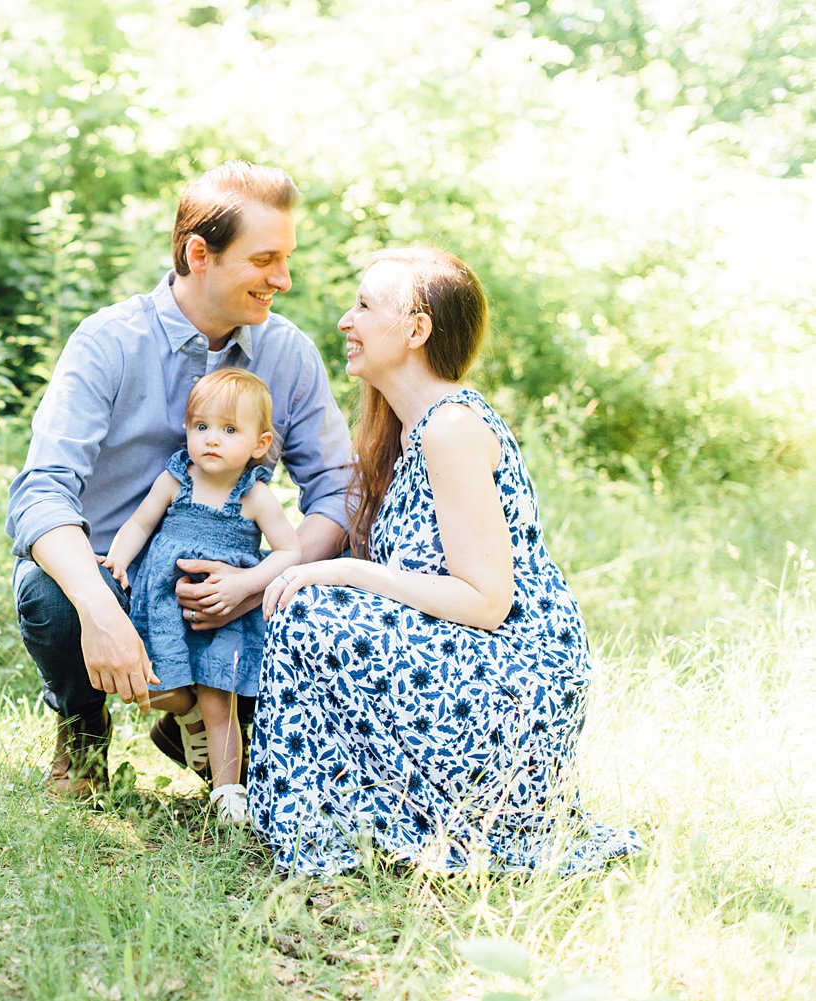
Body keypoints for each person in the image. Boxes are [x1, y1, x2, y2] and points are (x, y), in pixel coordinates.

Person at [251, 247, 642, 874]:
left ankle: (335, 823)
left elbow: (487, 601)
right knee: (294, 602)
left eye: (363, 306)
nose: (345, 322)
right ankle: (326, 806)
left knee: (313, 607)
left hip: (513, 681)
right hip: (461, 658)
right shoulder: (404, 430)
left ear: (415, 329)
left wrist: (343, 571)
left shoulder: (450, 428)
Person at [6, 161, 353, 798]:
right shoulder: (108, 342)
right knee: (47, 593)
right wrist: (99, 610)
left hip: (230, 596)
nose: (284, 278)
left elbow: (339, 487)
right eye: (265, 259)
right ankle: (83, 728)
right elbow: (41, 492)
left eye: (287, 257)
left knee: (332, 592)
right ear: (200, 253)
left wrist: (262, 580)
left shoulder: (288, 354)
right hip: (119, 576)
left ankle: (207, 724)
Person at [100, 369, 302, 824]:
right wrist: (117, 560)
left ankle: (229, 793)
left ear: (259, 443)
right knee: (154, 688)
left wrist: (248, 584)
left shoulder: (255, 496)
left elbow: (291, 550)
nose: (212, 439)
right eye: (201, 427)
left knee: (220, 701)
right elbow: (139, 523)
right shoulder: (176, 479)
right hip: (166, 607)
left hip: (225, 613)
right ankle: (184, 715)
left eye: (230, 430)